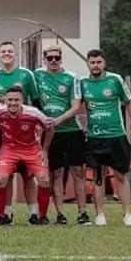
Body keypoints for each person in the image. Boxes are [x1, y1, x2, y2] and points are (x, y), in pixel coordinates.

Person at [80, 49, 131, 226]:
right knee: (98, 176)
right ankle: (100, 215)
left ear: (104, 63)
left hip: (116, 135)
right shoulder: (82, 83)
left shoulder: (115, 80)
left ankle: (127, 214)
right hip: (95, 137)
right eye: (92, 62)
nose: (95, 65)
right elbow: (75, 106)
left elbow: (129, 102)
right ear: (88, 64)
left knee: (121, 175)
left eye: (99, 62)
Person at [0, 41, 40, 223]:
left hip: (25, 133)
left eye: (10, 51)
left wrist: (36, 126)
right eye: (3, 51)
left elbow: (37, 102)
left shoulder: (26, 75)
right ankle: (6, 213)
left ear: (15, 54)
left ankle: (33, 212)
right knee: (5, 175)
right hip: (1, 132)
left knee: (28, 175)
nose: (7, 54)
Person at [34, 45, 86, 225]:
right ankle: (60, 214)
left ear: (61, 58)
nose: (54, 61)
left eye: (57, 57)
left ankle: (82, 212)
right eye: (50, 58)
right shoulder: (37, 75)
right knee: (56, 173)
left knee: (78, 172)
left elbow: (76, 105)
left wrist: (58, 120)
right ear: (44, 59)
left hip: (72, 130)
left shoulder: (72, 78)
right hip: (50, 133)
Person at [0, 86, 54, 225]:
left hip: (31, 149)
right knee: (1, 179)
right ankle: (1, 215)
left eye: (16, 100)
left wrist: (44, 150)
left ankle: (41, 216)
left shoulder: (33, 113)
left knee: (44, 179)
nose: (13, 103)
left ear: (22, 101)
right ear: (5, 100)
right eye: (10, 100)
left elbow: (50, 127)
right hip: (9, 149)